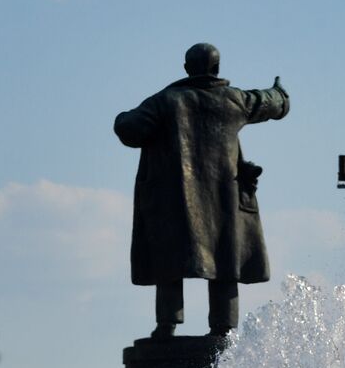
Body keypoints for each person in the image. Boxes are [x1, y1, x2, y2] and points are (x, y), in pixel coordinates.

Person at [114, 42, 290, 338]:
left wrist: (121, 116)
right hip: (224, 200)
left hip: (175, 203)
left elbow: (129, 129)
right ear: (217, 69)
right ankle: (223, 327)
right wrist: (280, 92)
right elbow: (272, 102)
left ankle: (166, 325)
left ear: (186, 68)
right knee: (225, 259)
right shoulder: (235, 100)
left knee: (168, 262)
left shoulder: (164, 101)